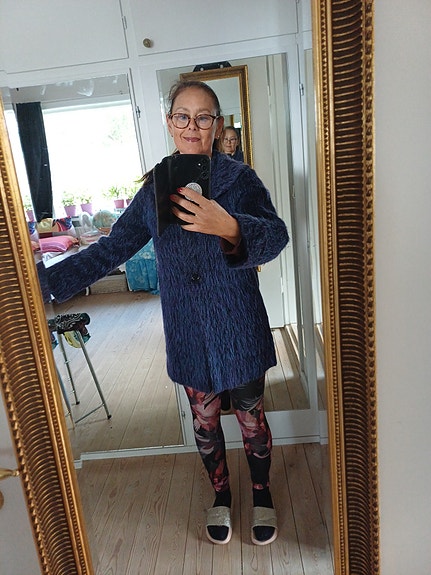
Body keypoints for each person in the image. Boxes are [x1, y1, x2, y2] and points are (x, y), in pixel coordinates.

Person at [37, 80, 289, 546]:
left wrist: (230, 226)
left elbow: (276, 236)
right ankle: (220, 494)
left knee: (252, 421)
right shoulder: (154, 189)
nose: (192, 126)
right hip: (188, 330)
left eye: (203, 117)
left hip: (239, 325)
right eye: (182, 116)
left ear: (217, 124)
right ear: (169, 123)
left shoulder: (241, 180)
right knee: (205, 424)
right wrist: (40, 284)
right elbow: (111, 248)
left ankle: (262, 493)